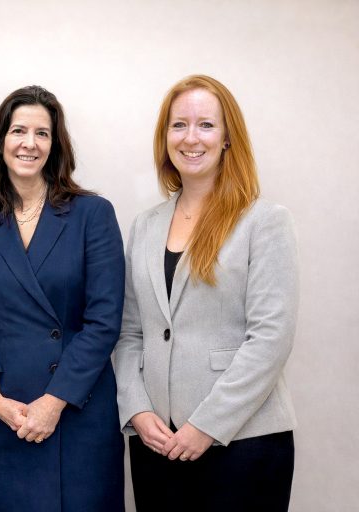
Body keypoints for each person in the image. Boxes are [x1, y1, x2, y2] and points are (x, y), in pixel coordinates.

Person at [114, 75, 298, 511]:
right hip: (156, 443)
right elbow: (129, 334)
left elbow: (271, 339)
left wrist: (206, 426)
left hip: (243, 443)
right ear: (165, 138)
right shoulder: (144, 226)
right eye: (178, 125)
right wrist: (137, 411)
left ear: (228, 137)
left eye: (205, 125)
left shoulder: (265, 221)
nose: (190, 138)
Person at [0, 85, 126, 511]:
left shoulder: (92, 215)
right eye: (18, 131)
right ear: (0, 142)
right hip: (4, 416)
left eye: (42, 133)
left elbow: (104, 321)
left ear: (56, 144)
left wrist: (53, 402)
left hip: (76, 409)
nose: (29, 143)